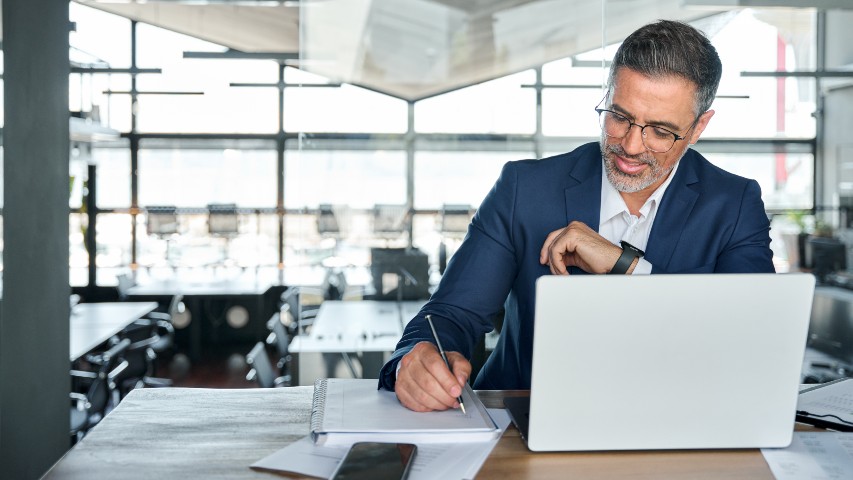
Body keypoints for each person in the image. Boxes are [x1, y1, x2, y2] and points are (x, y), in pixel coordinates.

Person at [378, 20, 775, 412]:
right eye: (619, 116)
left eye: (660, 131)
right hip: (520, 423)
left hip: (675, 423)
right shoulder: (524, 189)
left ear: (699, 126)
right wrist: (414, 361)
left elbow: (749, 343)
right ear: (608, 94)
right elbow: (451, 314)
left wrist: (625, 267)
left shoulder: (734, 204)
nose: (632, 146)